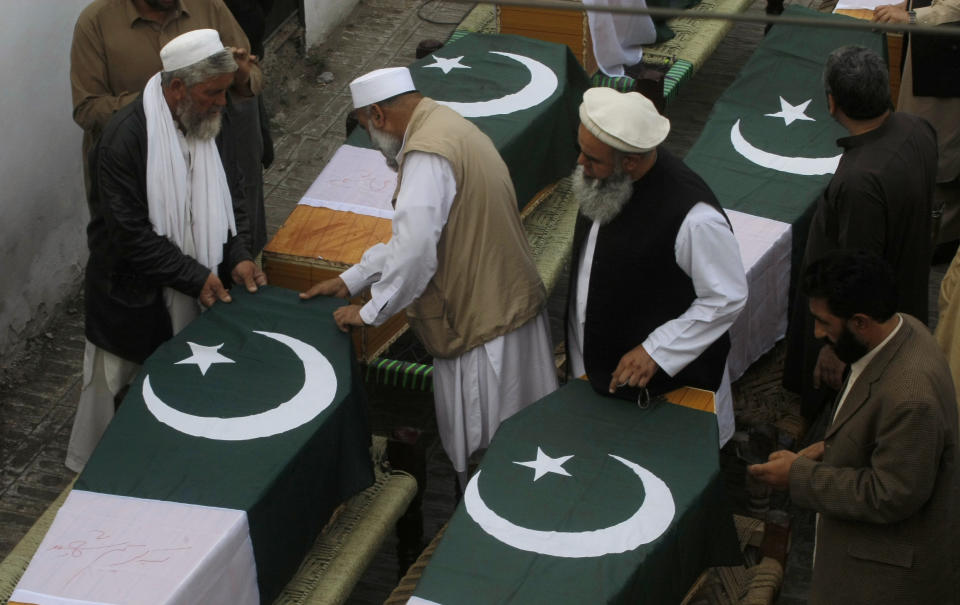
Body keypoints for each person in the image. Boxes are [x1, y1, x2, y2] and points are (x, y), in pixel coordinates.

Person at [300, 67, 558, 483]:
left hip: (481, 329)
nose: (375, 142)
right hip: (507, 309)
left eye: (367, 128)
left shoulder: (425, 154)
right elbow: (427, 236)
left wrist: (368, 313)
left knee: (494, 463)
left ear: (378, 116)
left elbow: (416, 251)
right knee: (527, 448)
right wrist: (352, 279)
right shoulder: (448, 124)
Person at [66, 29, 267, 472]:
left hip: (194, 282)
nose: (221, 102)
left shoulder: (209, 116)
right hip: (130, 293)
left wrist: (238, 255)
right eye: (212, 92)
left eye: (223, 92)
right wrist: (196, 276)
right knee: (116, 387)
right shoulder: (123, 139)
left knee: (183, 383)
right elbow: (129, 235)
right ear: (177, 88)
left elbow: (231, 195)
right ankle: (102, 470)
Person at [749, 250, 959, 605]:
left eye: (824, 322)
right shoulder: (901, 329)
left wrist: (798, 476)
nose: (817, 333)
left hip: (881, 581)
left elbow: (891, 494)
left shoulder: (911, 398)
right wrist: (830, 448)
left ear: (860, 322)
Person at [567, 87, 747, 446]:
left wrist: (656, 350)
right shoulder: (606, 180)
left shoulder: (694, 219)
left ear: (630, 163)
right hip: (594, 372)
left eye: (592, 159)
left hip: (664, 394)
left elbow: (726, 296)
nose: (581, 165)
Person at [782, 45, 937, 422]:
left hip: (860, 327)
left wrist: (836, 348)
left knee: (838, 407)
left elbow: (856, 278)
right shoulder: (919, 129)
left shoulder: (860, 182)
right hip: (909, 291)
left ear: (833, 103)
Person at [70, 0, 269, 254]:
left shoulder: (208, 6)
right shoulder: (95, 22)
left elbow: (250, 78)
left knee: (223, 250)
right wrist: (161, 101)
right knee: (151, 261)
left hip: (208, 161)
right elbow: (87, 109)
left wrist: (240, 73)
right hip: (138, 171)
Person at [875, 0, 960, 245]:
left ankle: (937, 237)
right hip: (928, 41)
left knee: (939, 152)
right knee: (912, 140)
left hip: (947, 54)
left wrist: (913, 16)